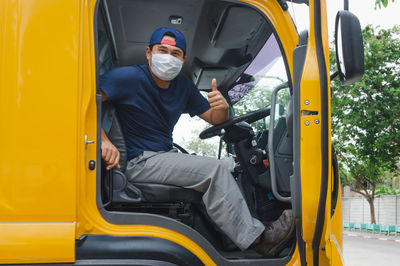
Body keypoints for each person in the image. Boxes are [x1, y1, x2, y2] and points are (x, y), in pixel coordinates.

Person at [100, 27, 294, 256]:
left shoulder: (183, 86)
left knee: (216, 169)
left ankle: (230, 239)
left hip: (162, 155)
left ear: (183, 59)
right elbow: (81, 99)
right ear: (148, 53)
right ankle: (260, 239)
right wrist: (101, 139)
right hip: (138, 161)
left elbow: (214, 118)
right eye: (162, 51)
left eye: (175, 53)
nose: (168, 58)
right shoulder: (127, 77)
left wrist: (221, 108)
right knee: (213, 170)